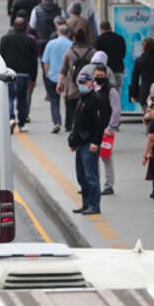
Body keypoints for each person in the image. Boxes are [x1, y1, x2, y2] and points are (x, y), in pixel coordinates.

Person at [69, 72, 106, 216]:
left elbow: (100, 124)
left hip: (89, 143)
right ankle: (86, 203)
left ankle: (94, 205)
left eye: (85, 83)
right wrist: (73, 141)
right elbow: (77, 122)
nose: (82, 85)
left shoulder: (95, 100)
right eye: (80, 83)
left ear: (91, 83)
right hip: (80, 143)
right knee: (81, 176)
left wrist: (96, 142)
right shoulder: (82, 98)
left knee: (91, 176)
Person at [0, 19, 37, 134]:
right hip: (24, 75)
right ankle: (21, 123)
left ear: (14, 27)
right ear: (26, 27)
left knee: (10, 97)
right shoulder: (30, 41)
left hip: (9, 73)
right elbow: (33, 61)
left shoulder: (5, 39)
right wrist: (34, 78)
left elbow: (0, 56)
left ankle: (10, 119)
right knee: (22, 100)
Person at [56, 29, 94, 132]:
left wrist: (59, 84)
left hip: (72, 87)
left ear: (74, 38)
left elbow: (63, 71)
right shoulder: (92, 51)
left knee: (71, 109)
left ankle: (70, 127)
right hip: (88, 87)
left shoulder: (69, 52)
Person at [93, 63, 120, 196]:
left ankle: (109, 185)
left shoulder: (111, 90)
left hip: (105, 130)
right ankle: (94, 183)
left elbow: (116, 111)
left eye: (101, 76)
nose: (99, 78)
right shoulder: (92, 87)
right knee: (92, 157)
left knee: (106, 156)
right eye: (97, 76)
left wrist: (110, 127)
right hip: (94, 129)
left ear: (107, 75)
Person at [42, 24, 72, 134]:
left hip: (53, 76)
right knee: (69, 101)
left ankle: (57, 122)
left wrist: (47, 74)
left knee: (54, 101)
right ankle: (69, 124)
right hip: (68, 78)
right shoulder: (71, 45)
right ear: (68, 34)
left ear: (58, 33)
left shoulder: (50, 44)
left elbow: (45, 61)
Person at [129, 37, 154, 112]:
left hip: (145, 92)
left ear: (143, 47)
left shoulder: (139, 60)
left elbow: (135, 79)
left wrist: (134, 94)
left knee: (147, 114)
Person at [94, 21, 126, 90]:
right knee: (117, 91)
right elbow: (123, 55)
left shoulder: (98, 39)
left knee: (104, 92)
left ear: (101, 29)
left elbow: (96, 56)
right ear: (111, 28)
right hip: (118, 69)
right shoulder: (120, 38)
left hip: (104, 70)